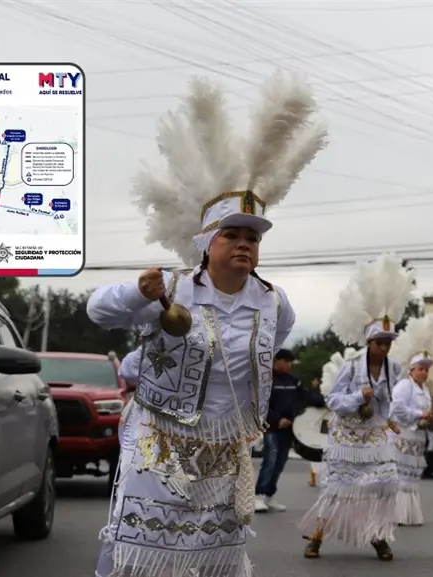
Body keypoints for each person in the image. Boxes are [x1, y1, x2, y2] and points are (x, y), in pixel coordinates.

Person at [87, 72, 328, 577]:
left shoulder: (274, 303)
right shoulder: (171, 289)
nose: (244, 244)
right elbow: (99, 310)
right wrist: (138, 292)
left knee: (212, 560)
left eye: (252, 237)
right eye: (232, 235)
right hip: (161, 445)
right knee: (141, 554)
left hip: (225, 453)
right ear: (206, 243)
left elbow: (263, 357)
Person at [298, 253, 415, 561]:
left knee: (385, 483)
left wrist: (396, 419)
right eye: (380, 342)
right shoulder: (350, 368)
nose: (385, 347)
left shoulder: (395, 369)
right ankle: (317, 537)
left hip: (375, 436)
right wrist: (357, 398)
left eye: (388, 342)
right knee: (338, 489)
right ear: (368, 342)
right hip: (348, 438)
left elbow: (395, 403)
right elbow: (333, 401)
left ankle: (377, 536)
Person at [388, 313, 433, 526]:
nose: (424, 373)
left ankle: (409, 513)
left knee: (412, 477)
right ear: (411, 370)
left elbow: (425, 412)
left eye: (426, 369)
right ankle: (397, 513)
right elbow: (397, 408)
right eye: (420, 368)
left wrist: (431, 419)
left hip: (417, 439)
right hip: (403, 437)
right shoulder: (404, 386)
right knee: (401, 478)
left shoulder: (425, 390)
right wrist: (421, 415)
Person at [255, 348, 325, 513]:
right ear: (276, 361)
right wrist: (277, 420)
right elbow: (262, 405)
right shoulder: (267, 381)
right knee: (270, 459)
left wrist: (326, 401)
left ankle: (269, 496)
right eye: (285, 361)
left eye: (290, 362)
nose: (288, 365)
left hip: (288, 430)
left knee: (280, 462)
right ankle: (258, 495)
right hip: (271, 427)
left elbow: (306, 396)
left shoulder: (293, 381)